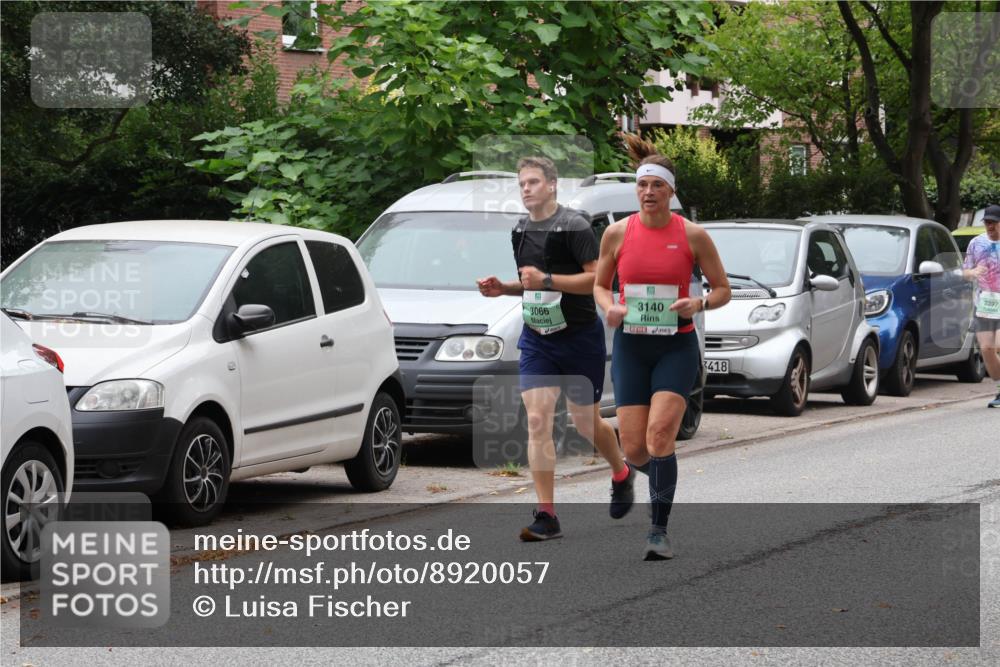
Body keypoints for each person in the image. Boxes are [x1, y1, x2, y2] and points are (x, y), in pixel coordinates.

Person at [477, 156, 634, 541]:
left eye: (533, 182)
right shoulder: (520, 230)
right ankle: (546, 514)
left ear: (552, 185)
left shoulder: (575, 225)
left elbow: (597, 278)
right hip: (538, 338)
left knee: (585, 424)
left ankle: (621, 471)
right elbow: (530, 282)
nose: (526, 189)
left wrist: (546, 280)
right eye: (521, 184)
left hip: (579, 336)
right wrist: (506, 288)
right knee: (537, 419)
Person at [594, 135, 731, 560]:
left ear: (671, 192)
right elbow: (600, 285)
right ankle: (656, 481)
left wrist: (700, 302)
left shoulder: (693, 235)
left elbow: (723, 289)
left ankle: (658, 529)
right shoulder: (617, 234)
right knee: (634, 447)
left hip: (677, 346)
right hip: (632, 349)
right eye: (642, 185)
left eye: (657, 186)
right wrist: (610, 308)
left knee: (659, 436)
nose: (649, 193)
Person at [961, 204, 1000, 408]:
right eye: (987, 222)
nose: (990, 226)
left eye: (994, 222)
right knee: (986, 348)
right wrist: (973, 272)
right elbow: (964, 272)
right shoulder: (976, 243)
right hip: (985, 304)